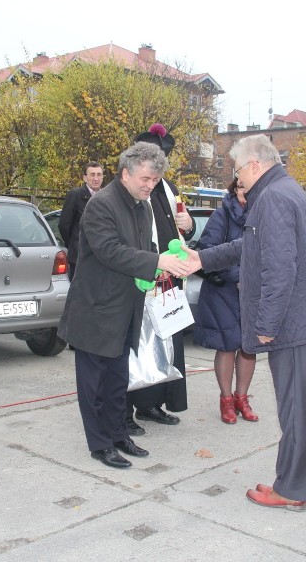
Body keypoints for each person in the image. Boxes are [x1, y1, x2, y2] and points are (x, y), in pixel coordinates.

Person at [183, 135, 306, 511]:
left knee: (297, 412)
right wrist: (200, 260)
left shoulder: (273, 197)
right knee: (302, 410)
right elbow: (248, 246)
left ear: (253, 165)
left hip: (296, 325)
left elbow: (280, 268)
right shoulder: (281, 191)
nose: (238, 180)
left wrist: (266, 323)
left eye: (237, 171)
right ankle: (293, 483)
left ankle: (293, 491)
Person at [59, 142, 190, 469]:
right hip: (96, 309)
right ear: (126, 173)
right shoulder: (101, 204)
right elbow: (110, 251)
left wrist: (163, 264)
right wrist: (157, 260)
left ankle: (119, 434)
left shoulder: (142, 205)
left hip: (127, 308)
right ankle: (100, 444)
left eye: (155, 180)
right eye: (146, 179)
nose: (150, 185)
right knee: (95, 384)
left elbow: (144, 248)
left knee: (119, 380)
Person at [125, 123, 195, 435]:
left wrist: (189, 224)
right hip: (144, 276)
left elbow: (181, 230)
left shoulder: (171, 188)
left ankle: (152, 402)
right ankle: (124, 409)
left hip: (169, 278)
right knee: (136, 343)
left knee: (164, 340)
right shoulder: (135, 188)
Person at [193, 177, 258, 424]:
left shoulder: (261, 214)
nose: (245, 192)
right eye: (240, 187)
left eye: (248, 188)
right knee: (227, 345)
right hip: (223, 291)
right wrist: (237, 276)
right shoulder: (221, 215)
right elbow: (207, 253)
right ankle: (226, 400)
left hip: (251, 294)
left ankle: (242, 399)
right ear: (234, 190)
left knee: (249, 347)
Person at [59, 162, 104, 280]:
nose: (96, 178)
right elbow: (64, 225)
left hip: (101, 256)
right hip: (79, 256)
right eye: (92, 174)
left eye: (99, 175)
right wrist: (74, 244)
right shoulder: (75, 195)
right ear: (85, 177)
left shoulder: (107, 197)